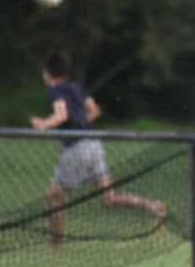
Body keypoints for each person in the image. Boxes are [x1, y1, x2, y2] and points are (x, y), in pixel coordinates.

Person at [30, 54, 167, 248]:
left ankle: (56, 246)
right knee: (110, 198)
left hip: (77, 150)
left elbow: (62, 114)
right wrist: (79, 126)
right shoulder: (77, 88)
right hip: (94, 145)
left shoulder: (55, 91)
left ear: (47, 73)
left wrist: (44, 124)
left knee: (54, 199)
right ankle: (154, 206)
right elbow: (94, 110)